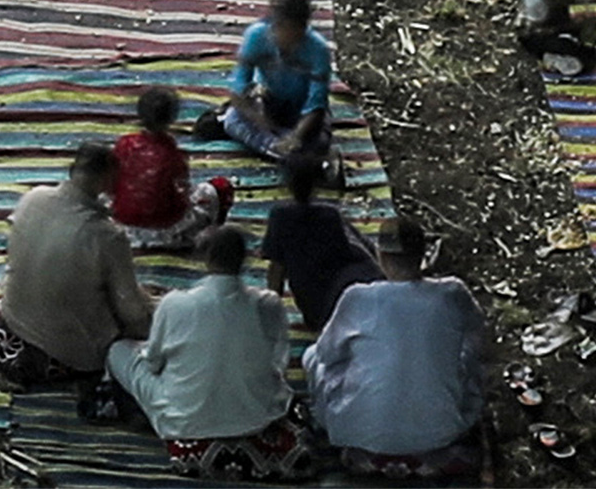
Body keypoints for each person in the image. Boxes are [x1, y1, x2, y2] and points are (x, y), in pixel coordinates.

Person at [104, 232, 311, 470]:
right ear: (244, 259)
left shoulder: (175, 304)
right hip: (259, 416)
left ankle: (127, 412)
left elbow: (152, 364)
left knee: (118, 351)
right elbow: (279, 362)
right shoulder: (269, 304)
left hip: (185, 420)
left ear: (206, 258)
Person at [303, 219, 490, 477]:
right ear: (423, 254)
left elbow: (326, 354)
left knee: (312, 357)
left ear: (380, 255)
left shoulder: (358, 297)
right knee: (469, 361)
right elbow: (479, 341)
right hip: (443, 433)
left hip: (357, 434)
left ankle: (367, 445)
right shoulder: (452, 293)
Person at [0, 142, 150, 391]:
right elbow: (132, 312)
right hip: (71, 350)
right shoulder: (107, 236)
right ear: (108, 180)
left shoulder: (33, 197)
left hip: (14, 316)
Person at [221, 0, 336, 179]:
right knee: (232, 120)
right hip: (269, 106)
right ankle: (295, 158)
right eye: (279, 27)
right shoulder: (256, 37)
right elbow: (238, 90)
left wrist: (296, 136)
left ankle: (283, 152)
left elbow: (316, 104)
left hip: (303, 116)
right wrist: (260, 120)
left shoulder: (318, 49)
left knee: (321, 138)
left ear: (302, 28)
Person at [262, 159, 384, 330]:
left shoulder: (280, 217)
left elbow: (276, 271)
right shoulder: (330, 214)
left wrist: (271, 312)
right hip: (351, 293)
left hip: (323, 310)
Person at [110, 82, 233, 249]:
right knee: (220, 187)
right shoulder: (172, 154)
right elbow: (183, 197)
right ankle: (210, 236)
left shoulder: (123, 145)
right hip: (166, 232)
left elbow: (111, 185)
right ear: (172, 117)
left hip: (123, 227)